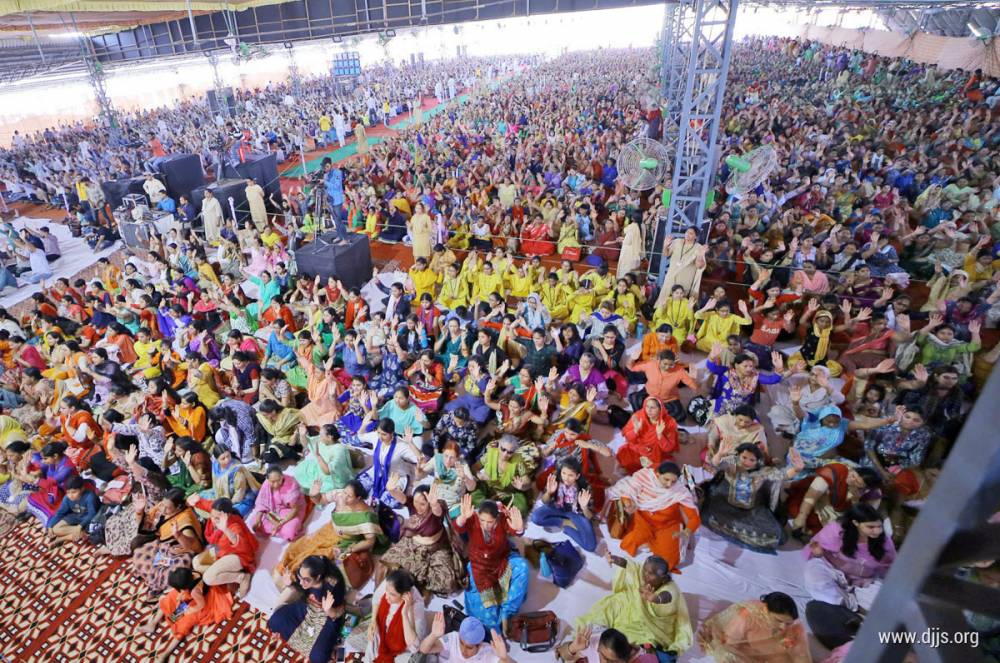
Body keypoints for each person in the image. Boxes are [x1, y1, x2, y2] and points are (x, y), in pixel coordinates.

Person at [577, 554, 692, 654]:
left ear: (662, 578)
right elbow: (628, 564)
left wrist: (655, 598)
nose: (645, 574)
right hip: (630, 601)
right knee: (610, 604)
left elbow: (668, 596)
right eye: (645, 570)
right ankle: (595, 633)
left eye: (650, 573)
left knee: (626, 640)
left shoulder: (670, 588)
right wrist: (614, 558)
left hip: (649, 622)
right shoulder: (642, 573)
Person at [699, 444, 805, 552]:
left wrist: (796, 469)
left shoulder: (763, 472)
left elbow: (782, 475)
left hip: (751, 511)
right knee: (708, 515)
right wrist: (720, 453)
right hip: (727, 505)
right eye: (744, 458)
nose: (747, 462)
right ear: (738, 456)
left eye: (752, 460)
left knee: (777, 535)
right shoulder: (732, 464)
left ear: (757, 461)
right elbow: (717, 463)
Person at [454, 494, 529, 632]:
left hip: (501, 561)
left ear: (496, 519)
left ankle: (507, 613)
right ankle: (497, 624)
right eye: (482, 520)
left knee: (523, 567)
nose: (486, 525)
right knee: (487, 616)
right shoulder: (473, 519)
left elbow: (514, 530)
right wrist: (463, 517)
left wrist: (519, 528)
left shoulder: (502, 520)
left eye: (490, 522)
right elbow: (459, 527)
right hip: (479, 567)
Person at [605, 462, 700, 571]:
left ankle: (656, 543)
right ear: (658, 474)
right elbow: (628, 492)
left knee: (667, 562)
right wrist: (628, 503)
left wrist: (687, 531)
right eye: (666, 479)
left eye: (673, 481)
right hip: (644, 521)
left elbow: (694, 518)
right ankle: (649, 542)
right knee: (628, 544)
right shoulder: (644, 478)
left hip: (667, 526)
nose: (669, 485)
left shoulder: (679, 491)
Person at [804, 504, 896, 612]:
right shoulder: (836, 530)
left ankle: (849, 605)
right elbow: (815, 550)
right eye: (870, 527)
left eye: (879, 526)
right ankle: (851, 605)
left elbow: (891, 568)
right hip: (832, 570)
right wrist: (818, 554)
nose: (877, 531)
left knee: (885, 601)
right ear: (856, 523)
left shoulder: (884, 542)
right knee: (814, 576)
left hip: (862, 582)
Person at [381, 481, 464, 596]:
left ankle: (421, 585)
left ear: (429, 503)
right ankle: (409, 580)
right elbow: (402, 498)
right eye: (415, 502)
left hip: (437, 548)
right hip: (413, 544)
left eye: (423, 504)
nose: (418, 506)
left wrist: (434, 504)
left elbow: (438, 511)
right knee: (389, 565)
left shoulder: (436, 509)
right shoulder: (412, 504)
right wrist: (391, 490)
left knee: (446, 582)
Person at [140, 567, 233, 663]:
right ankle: (153, 624)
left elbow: (201, 605)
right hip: (189, 593)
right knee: (170, 598)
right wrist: (181, 595)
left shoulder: (195, 591)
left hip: (200, 602)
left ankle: (165, 653)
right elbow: (182, 590)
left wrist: (190, 610)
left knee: (184, 623)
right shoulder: (190, 574)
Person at [269, 554, 347, 663]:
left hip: (326, 618)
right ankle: (308, 640)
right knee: (274, 621)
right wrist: (290, 585)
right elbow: (301, 592)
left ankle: (332, 647)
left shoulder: (332, 586)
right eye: (300, 578)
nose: (301, 582)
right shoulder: (302, 576)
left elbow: (339, 613)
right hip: (306, 608)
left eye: (306, 580)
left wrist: (329, 610)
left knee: (318, 658)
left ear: (318, 577)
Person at [697, 591, 812, 662]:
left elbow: (800, 654)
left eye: (788, 623)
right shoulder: (747, 617)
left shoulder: (794, 627)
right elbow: (731, 642)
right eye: (778, 621)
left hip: (774, 655)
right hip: (747, 651)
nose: (783, 627)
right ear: (766, 610)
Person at [131, 487, 204, 599]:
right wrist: (139, 512)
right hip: (163, 546)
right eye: (163, 505)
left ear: (178, 507)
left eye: (167, 507)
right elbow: (147, 526)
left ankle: (159, 585)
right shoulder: (163, 506)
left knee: (175, 573)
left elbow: (192, 546)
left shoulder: (185, 519)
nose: (163, 509)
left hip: (181, 553)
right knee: (138, 550)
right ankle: (155, 580)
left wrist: (179, 536)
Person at [530, 458, 597, 552]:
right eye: (564, 473)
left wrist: (584, 507)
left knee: (590, 546)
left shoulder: (585, 487)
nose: (566, 478)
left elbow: (590, 517)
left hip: (575, 513)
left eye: (571, 475)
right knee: (535, 517)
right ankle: (563, 522)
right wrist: (549, 493)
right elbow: (544, 501)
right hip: (557, 507)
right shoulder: (556, 477)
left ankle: (568, 529)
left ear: (577, 476)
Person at [617, 397, 679, 474]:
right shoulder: (638, 416)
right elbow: (628, 438)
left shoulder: (669, 423)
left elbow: (668, 448)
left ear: (660, 409)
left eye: (652, 407)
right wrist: (636, 430)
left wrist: (660, 435)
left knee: (662, 472)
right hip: (638, 450)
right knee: (625, 459)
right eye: (647, 406)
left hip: (657, 455)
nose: (648, 410)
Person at [419, 613, 515, 663]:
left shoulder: (486, 652)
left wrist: (504, 658)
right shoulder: (453, 638)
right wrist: (433, 635)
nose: (464, 650)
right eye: (461, 643)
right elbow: (423, 650)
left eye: (469, 647)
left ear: (480, 644)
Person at [247, 465, 306, 541]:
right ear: (267, 479)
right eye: (273, 482)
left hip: (289, 511)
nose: (276, 484)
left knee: (290, 530)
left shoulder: (292, 484)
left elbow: (295, 509)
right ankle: (279, 532)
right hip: (274, 511)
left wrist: (280, 523)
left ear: (282, 476)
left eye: (278, 480)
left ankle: (282, 531)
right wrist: (258, 520)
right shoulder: (266, 484)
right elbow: (262, 504)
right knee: (253, 522)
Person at [45, 475, 99, 547]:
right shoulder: (67, 498)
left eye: (74, 492)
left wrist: (80, 526)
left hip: (89, 519)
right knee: (55, 529)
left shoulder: (90, 496)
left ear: (82, 489)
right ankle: (81, 533)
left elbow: (92, 514)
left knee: (92, 529)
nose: (70, 495)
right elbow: (60, 513)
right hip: (76, 516)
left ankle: (62, 538)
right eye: (68, 492)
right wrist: (50, 526)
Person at [557, 626, 659, 663]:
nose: (605, 662)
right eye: (604, 656)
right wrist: (573, 647)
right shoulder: (590, 643)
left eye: (612, 662)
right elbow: (563, 653)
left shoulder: (644, 659)